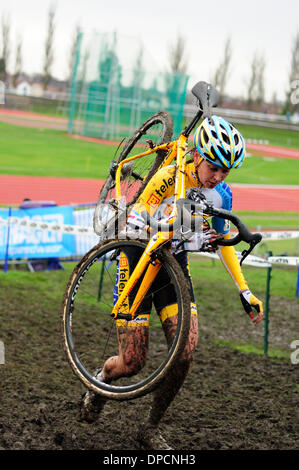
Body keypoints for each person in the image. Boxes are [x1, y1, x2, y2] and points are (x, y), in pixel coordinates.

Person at [79, 115, 264, 449]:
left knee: (185, 351)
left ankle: (150, 427)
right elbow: (134, 226)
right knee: (133, 362)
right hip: (138, 259)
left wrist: (245, 289)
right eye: (214, 168)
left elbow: (224, 244)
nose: (218, 177)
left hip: (172, 267)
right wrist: (172, 227)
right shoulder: (168, 177)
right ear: (197, 156)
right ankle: (100, 381)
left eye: (226, 171)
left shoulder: (222, 195)